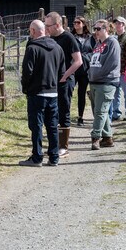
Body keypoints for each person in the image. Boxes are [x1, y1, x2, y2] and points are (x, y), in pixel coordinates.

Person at [19, 20, 66, 167]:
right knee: (52, 125)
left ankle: (37, 156)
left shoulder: (32, 48)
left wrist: (26, 88)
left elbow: (27, 72)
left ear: (33, 31)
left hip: (36, 93)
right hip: (52, 92)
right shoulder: (57, 48)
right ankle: (54, 157)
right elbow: (62, 72)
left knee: (36, 125)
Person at [45, 12, 83, 157]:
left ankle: (64, 146)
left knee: (63, 111)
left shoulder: (68, 38)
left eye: (49, 26)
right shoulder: (49, 38)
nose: (46, 28)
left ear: (58, 25)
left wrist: (65, 76)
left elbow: (78, 61)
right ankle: (53, 145)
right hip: (51, 80)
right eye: (45, 25)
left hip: (65, 81)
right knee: (51, 113)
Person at [88, 20, 121, 150]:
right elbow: (93, 61)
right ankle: (107, 138)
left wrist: (97, 74)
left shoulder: (112, 43)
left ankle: (95, 137)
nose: (95, 31)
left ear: (106, 29)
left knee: (100, 111)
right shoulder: (97, 44)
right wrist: (91, 74)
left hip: (107, 82)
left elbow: (111, 64)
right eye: (94, 29)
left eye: (98, 29)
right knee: (101, 111)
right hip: (95, 81)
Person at [110, 16, 126, 121]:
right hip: (115, 70)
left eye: (119, 23)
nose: (117, 25)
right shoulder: (113, 38)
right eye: (116, 23)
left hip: (125, 70)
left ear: (124, 25)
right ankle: (116, 112)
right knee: (116, 93)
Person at [72, 16, 93, 126]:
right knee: (67, 92)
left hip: (85, 70)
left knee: (81, 93)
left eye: (78, 22)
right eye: (74, 22)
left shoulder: (90, 38)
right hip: (73, 69)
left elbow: (94, 51)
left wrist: (85, 57)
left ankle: (80, 116)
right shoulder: (71, 37)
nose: (76, 24)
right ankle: (64, 114)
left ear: (83, 24)